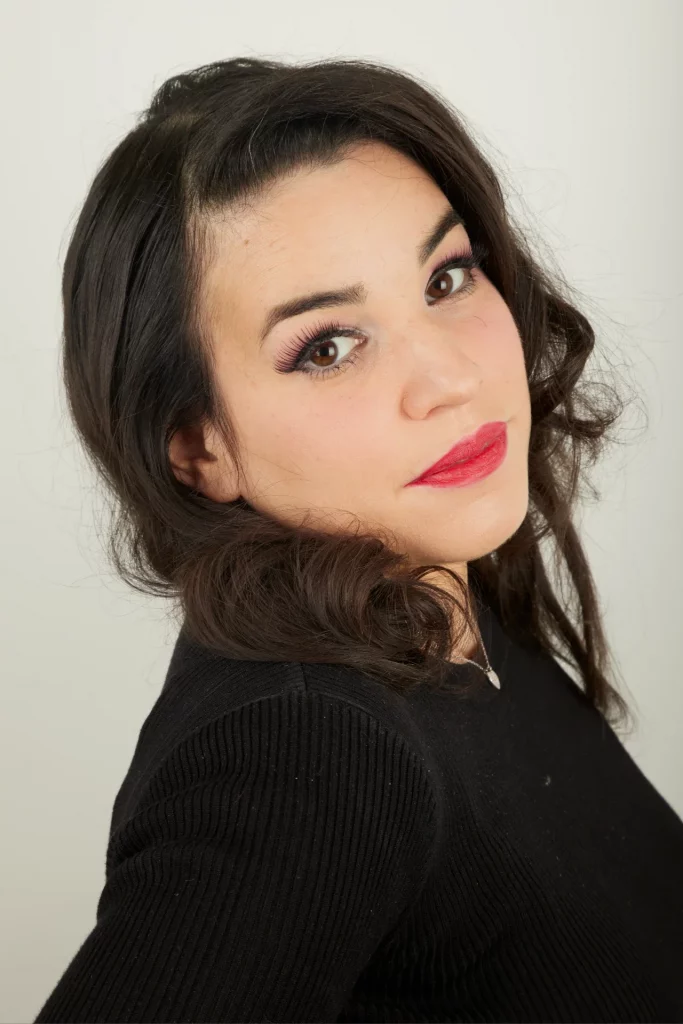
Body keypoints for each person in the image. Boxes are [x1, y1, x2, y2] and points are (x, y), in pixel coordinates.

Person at [34, 56, 683, 1023]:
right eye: (328, 346)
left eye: (446, 277)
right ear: (198, 449)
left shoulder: (441, 588)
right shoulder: (304, 745)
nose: (448, 379)